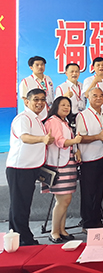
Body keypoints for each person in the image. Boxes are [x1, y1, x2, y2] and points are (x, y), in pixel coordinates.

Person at [7, 89, 55, 245]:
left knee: (22, 204)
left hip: (31, 167)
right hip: (20, 168)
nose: (40, 103)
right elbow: (25, 137)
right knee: (20, 205)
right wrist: (43, 139)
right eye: (36, 99)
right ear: (26, 101)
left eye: (42, 99)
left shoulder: (36, 119)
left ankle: (18, 236)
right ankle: (24, 239)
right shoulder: (23, 118)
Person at [43, 97, 82, 242]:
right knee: (63, 200)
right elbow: (59, 141)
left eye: (68, 105)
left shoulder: (64, 122)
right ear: (56, 107)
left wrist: (76, 149)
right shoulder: (53, 121)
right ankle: (54, 232)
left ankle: (62, 229)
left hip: (67, 163)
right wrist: (75, 141)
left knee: (65, 199)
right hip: (59, 165)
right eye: (63, 105)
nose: (66, 108)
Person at [75, 87, 103, 230]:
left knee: (99, 191)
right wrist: (97, 137)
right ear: (88, 98)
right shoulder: (82, 115)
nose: (98, 98)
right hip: (89, 158)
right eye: (95, 96)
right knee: (88, 192)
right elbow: (80, 138)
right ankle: (87, 222)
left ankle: (97, 220)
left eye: (101, 95)